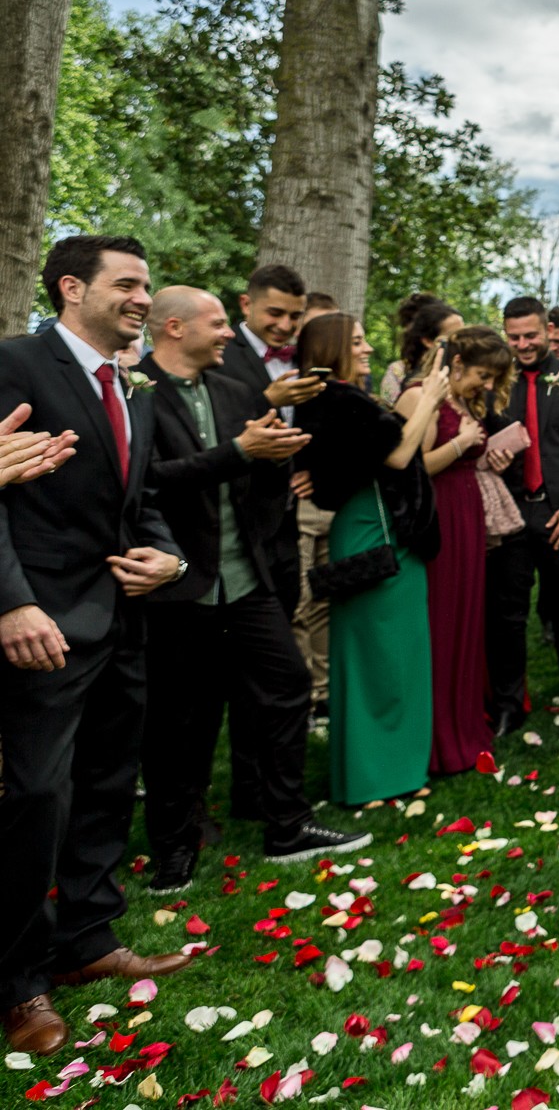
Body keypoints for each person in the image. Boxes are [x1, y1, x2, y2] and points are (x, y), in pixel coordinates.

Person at [0, 236, 190, 1058]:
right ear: (72, 288)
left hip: (122, 619)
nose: (145, 298)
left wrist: (169, 559)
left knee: (109, 782)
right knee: (35, 799)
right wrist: (10, 603)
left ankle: (88, 938)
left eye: (147, 285)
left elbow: (138, 499)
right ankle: (18, 982)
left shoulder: (132, 386)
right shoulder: (15, 364)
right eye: (129, 284)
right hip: (38, 627)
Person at [136, 287, 368, 895]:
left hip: (247, 580)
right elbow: (144, 483)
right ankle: (174, 849)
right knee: (179, 721)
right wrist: (239, 452)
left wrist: (274, 461)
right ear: (174, 328)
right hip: (177, 585)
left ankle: (287, 825)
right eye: (217, 324)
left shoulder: (237, 391)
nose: (228, 334)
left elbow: (263, 481)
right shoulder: (135, 392)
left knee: (288, 686)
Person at [293, 312, 446, 807]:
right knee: (374, 659)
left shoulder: (347, 397)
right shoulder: (337, 398)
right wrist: (431, 396)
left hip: (386, 527)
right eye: (357, 341)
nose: (367, 349)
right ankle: (368, 779)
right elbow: (398, 456)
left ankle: (397, 769)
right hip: (370, 530)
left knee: (398, 657)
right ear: (333, 347)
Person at [487, 298, 559, 736]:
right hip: (511, 514)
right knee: (507, 616)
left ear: (546, 331)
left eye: (530, 335)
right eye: (514, 337)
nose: (522, 344)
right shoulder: (495, 383)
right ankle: (508, 705)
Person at [397, 326, 509, 774]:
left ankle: (463, 723)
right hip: (438, 517)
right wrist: (462, 443)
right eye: (483, 375)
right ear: (457, 363)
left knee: (466, 619)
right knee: (440, 622)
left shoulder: (462, 401)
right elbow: (414, 465)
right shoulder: (420, 396)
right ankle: (435, 736)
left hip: (467, 516)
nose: (488, 385)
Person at [218, 264, 327, 721]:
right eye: (275, 313)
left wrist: (315, 470)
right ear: (247, 304)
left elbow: (318, 427)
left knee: (276, 655)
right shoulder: (221, 353)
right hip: (238, 524)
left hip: (287, 524)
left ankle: (265, 740)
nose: (285, 325)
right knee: (249, 657)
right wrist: (267, 400)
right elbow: (216, 429)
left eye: (295, 316)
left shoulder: (306, 357)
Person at [380, 298, 462, 407]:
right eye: (454, 336)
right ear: (428, 341)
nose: (464, 340)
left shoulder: (464, 371)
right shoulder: (406, 378)